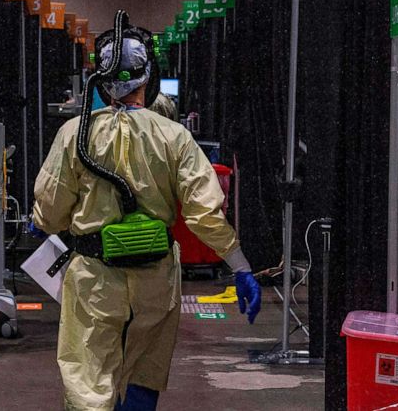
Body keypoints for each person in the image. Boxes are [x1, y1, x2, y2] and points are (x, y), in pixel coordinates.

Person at [33, 22, 260, 411]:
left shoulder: (75, 134)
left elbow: (49, 214)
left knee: (89, 381)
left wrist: (46, 221)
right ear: (148, 77)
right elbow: (206, 214)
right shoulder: (174, 136)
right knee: (144, 373)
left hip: (95, 279)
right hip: (155, 278)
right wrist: (240, 267)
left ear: (99, 80)